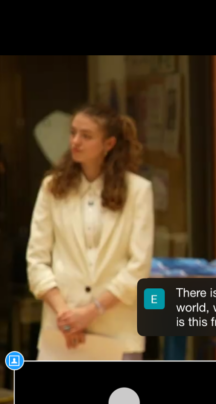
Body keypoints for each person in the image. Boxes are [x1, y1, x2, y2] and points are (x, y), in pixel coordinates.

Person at [26, 104, 154, 359]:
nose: (75, 141)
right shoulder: (51, 188)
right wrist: (66, 315)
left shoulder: (138, 191)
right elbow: (36, 260)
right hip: (62, 330)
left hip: (118, 332)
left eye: (86, 136)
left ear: (108, 144)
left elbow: (138, 267)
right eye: (73, 133)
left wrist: (91, 312)